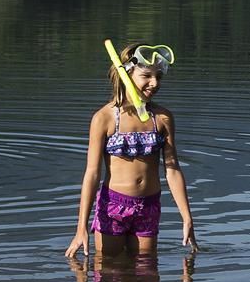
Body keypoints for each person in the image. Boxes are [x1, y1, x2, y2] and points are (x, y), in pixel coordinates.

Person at [67, 42, 197, 259]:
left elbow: (172, 169)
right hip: (113, 206)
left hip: (149, 206)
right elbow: (92, 173)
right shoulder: (105, 118)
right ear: (126, 74)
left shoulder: (162, 118)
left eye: (159, 77)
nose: (154, 83)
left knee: (147, 270)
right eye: (146, 76)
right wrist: (81, 228)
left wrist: (187, 217)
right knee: (108, 269)